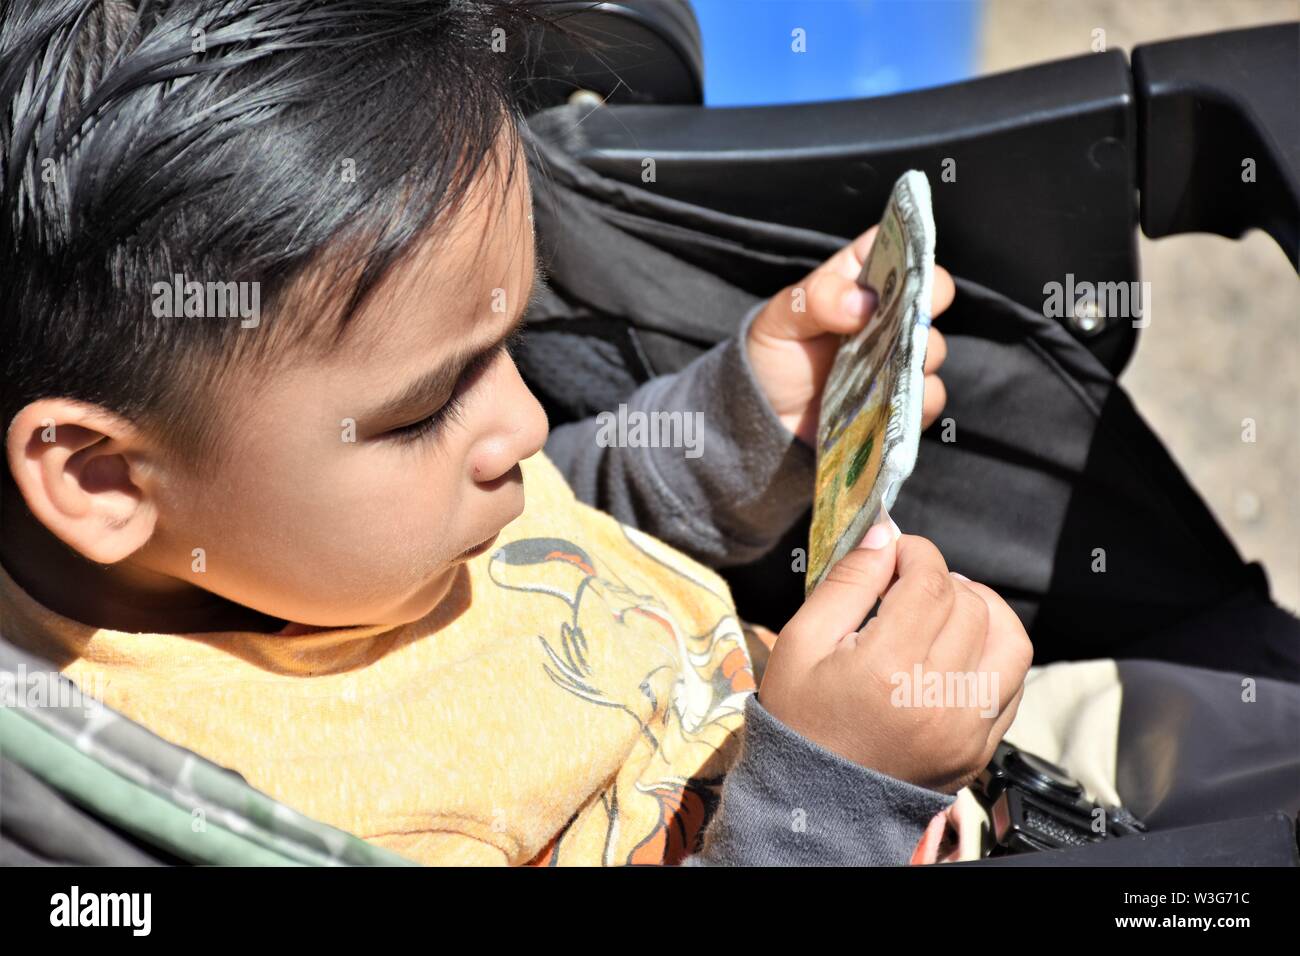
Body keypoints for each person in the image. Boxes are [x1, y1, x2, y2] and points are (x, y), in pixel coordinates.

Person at [0, 0, 1031, 865]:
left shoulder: (346, 532)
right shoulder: (272, 810)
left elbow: (553, 537)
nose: (527, 419)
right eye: (424, 406)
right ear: (104, 479)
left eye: (510, 343)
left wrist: (739, 420)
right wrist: (825, 793)